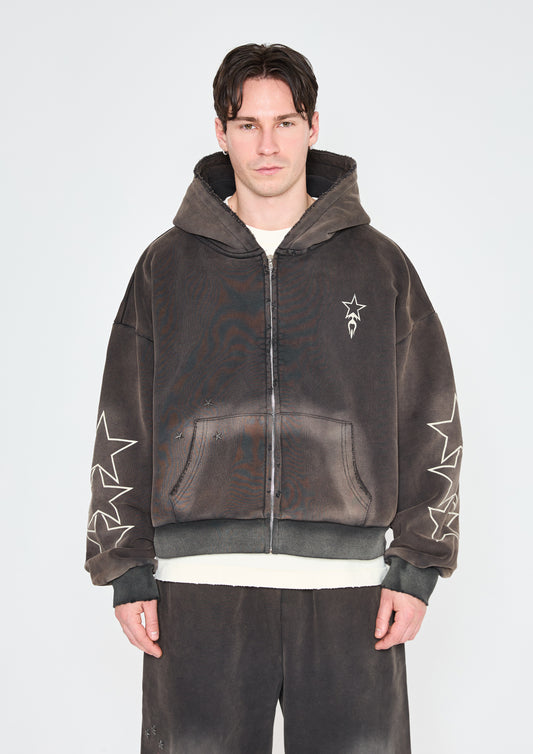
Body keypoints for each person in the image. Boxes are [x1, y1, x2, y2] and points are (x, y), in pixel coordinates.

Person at [85, 43, 462, 754]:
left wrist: (416, 567)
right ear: (220, 131)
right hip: (196, 588)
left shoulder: (377, 264)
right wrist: (125, 567)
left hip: (349, 590)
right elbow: (122, 417)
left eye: (284, 123)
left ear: (312, 126)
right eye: (247, 124)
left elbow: (430, 414)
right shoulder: (167, 265)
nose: (267, 145)